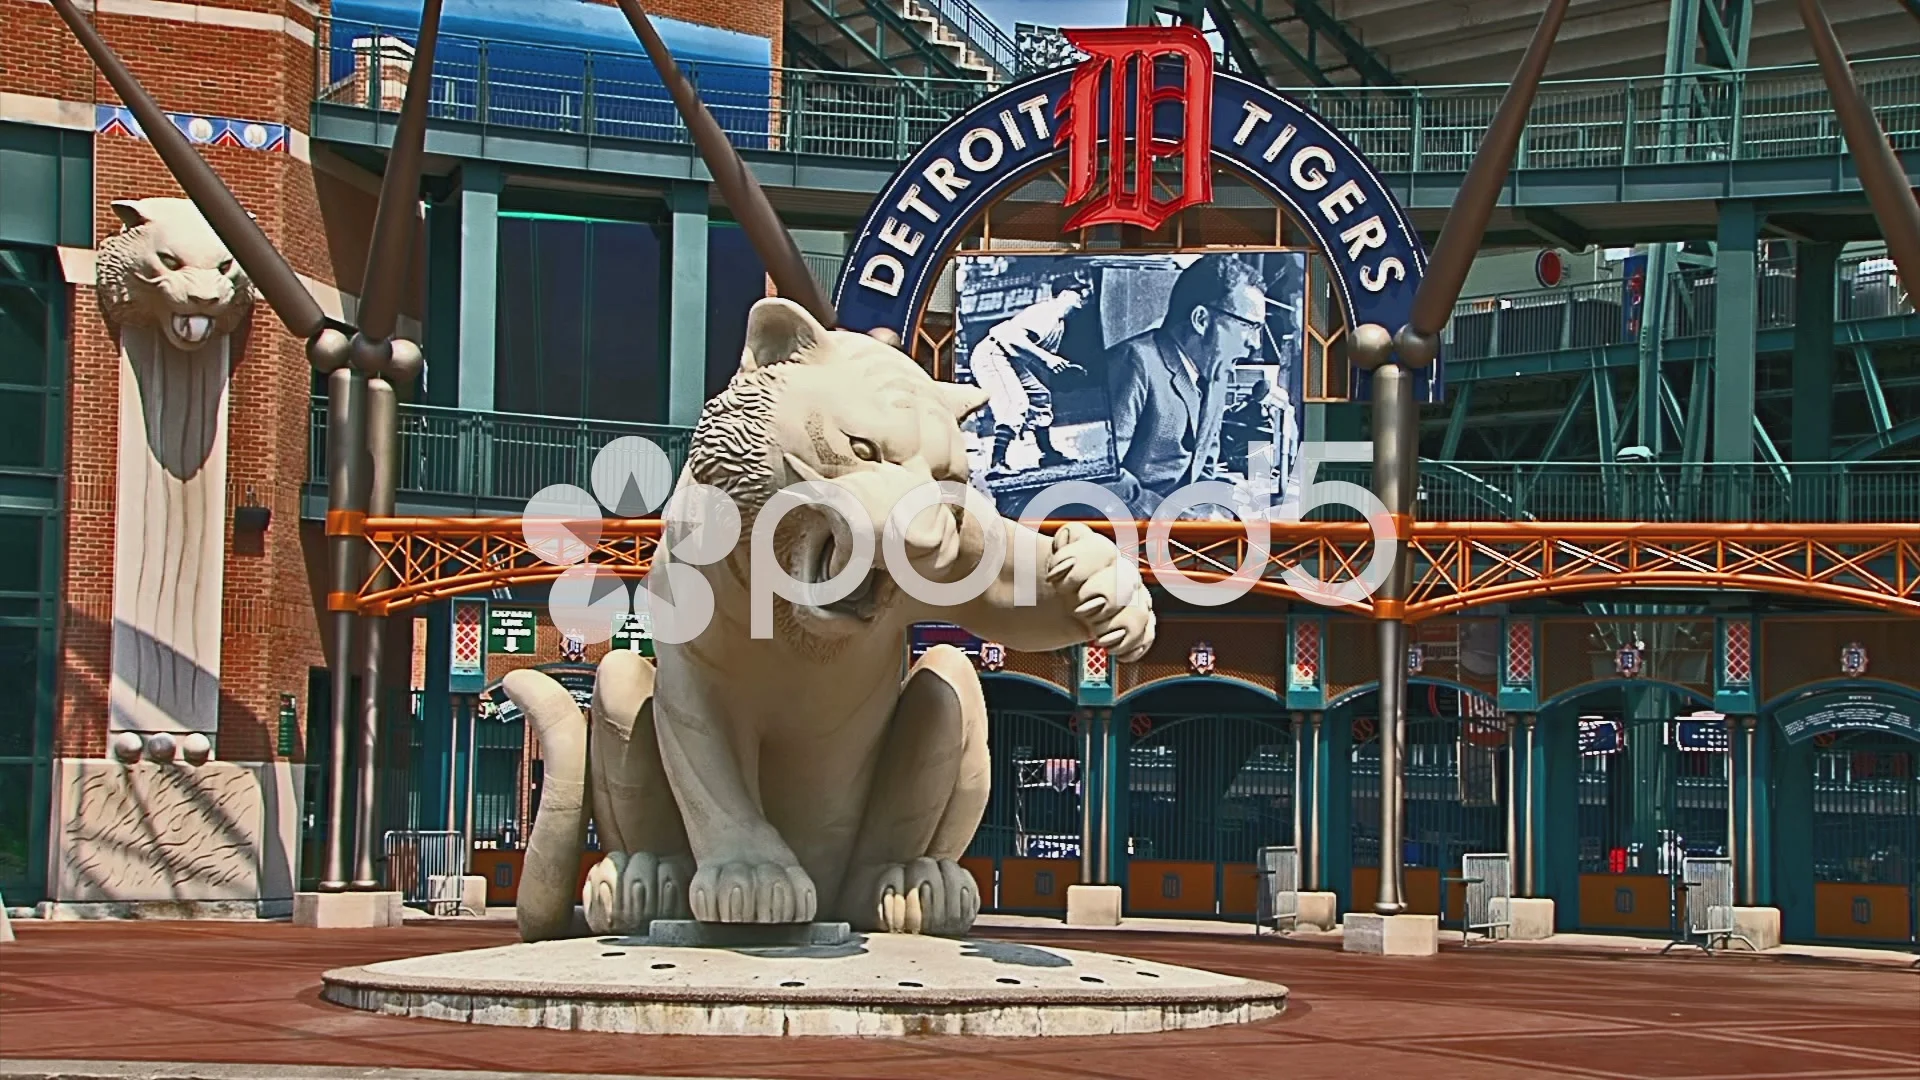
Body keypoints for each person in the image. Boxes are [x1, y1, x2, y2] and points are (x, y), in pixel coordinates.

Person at [1103, 256, 1269, 518]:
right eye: (1249, 326)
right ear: (1201, 320)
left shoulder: (1215, 378)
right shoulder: (1134, 363)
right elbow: (1105, 476)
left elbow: (1204, 472)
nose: (1255, 344)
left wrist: (1230, 505)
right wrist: (1179, 520)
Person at [966, 272, 1090, 476]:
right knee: (1014, 403)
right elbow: (1011, 336)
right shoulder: (1047, 311)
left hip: (1010, 359)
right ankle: (997, 463)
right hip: (992, 353)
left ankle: (1048, 454)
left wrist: (1062, 367)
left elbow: (1037, 356)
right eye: (1078, 291)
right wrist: (1048, 360)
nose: (1082, 295)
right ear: (1065, 294)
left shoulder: (1059, 323)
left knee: (1040, 397)